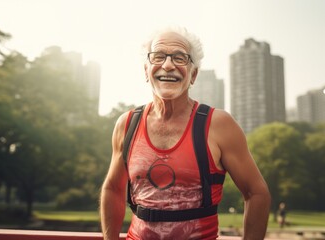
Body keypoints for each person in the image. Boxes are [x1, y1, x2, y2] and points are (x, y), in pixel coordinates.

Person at [100, 26, 271, 240]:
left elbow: (256, 193)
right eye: (159, 56)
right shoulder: (127, 124)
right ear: (146, 71)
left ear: (193, 74)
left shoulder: (218, 125)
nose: (168, 65)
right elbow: (114, 188)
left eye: (180, 58)